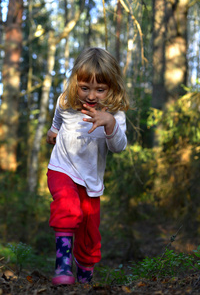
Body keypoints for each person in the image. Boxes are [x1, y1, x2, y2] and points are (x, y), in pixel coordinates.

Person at [46, 47, 129, 285]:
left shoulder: (115, 113)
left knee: (90, 235)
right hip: (61, 168)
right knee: (67, 205)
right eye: (85, 88)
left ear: (112, 87)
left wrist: (110, 124)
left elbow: (119, 147)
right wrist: (54, 130)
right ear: (75, 83)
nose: (91, 96)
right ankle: (62, 266)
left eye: (100, 90)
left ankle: (85, 279)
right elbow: (59, 115)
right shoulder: (67, 100)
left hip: (90, 181)